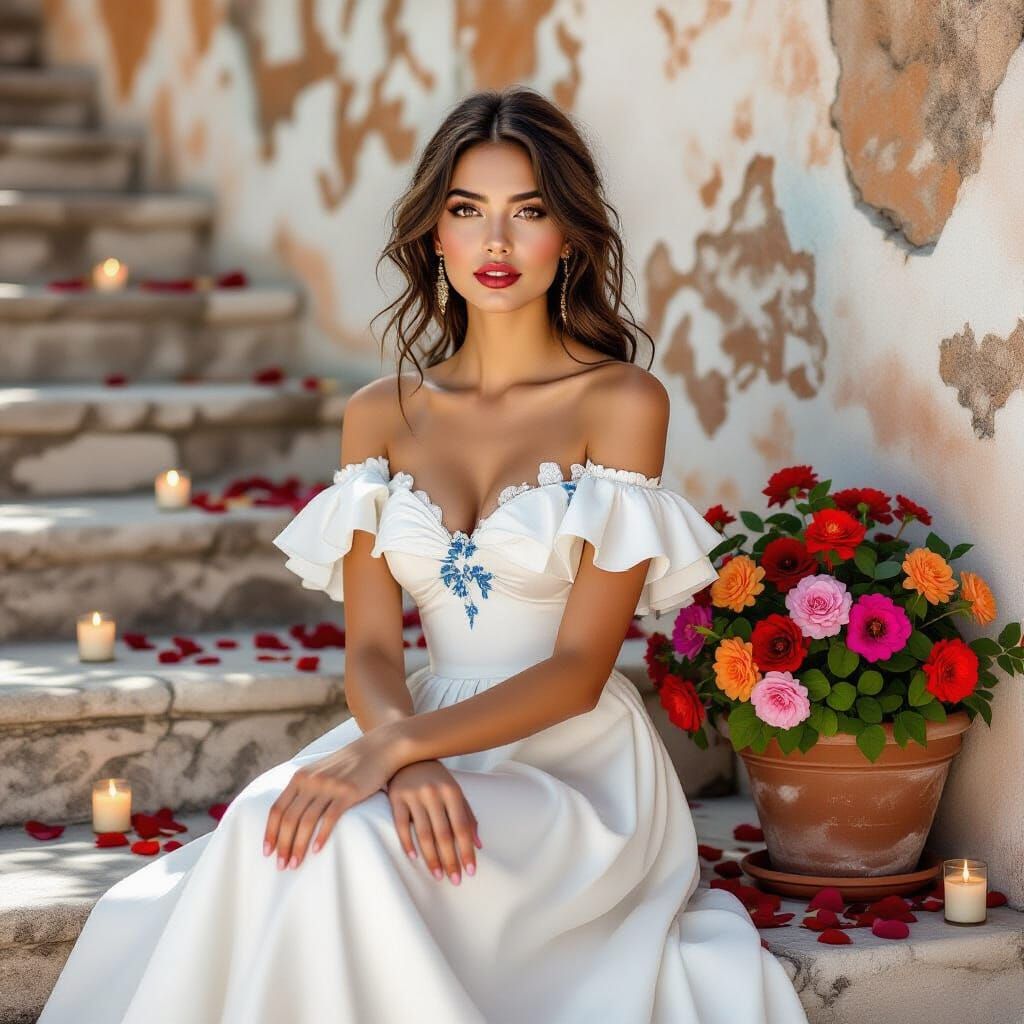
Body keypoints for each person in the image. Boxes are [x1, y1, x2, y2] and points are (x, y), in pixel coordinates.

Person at [38, 87, 807, 1023]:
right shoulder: (379, 414)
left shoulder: (621, 402)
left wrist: (397, 750)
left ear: (569, 235)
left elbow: (578, 670)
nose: (496, 241)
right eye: (467, 210)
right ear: (434, 234)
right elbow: (371, 650)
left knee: (358, 847)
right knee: (269, 830)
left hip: (570, 761)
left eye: (528, 212)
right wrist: (402, 757)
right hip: (416, 723)